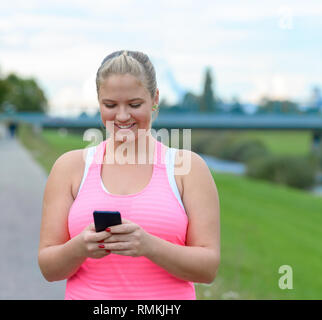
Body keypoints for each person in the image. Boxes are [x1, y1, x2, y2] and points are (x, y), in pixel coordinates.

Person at [38, 50, 220, 300]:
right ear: (99, 102)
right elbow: (49, 268)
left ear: (154, 99)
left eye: (134, 105)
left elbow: (208, 268)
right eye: (110, 105)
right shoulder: (69, 168)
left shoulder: (188, 168)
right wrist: (80, 247)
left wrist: (148, 245)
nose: (122, 116)